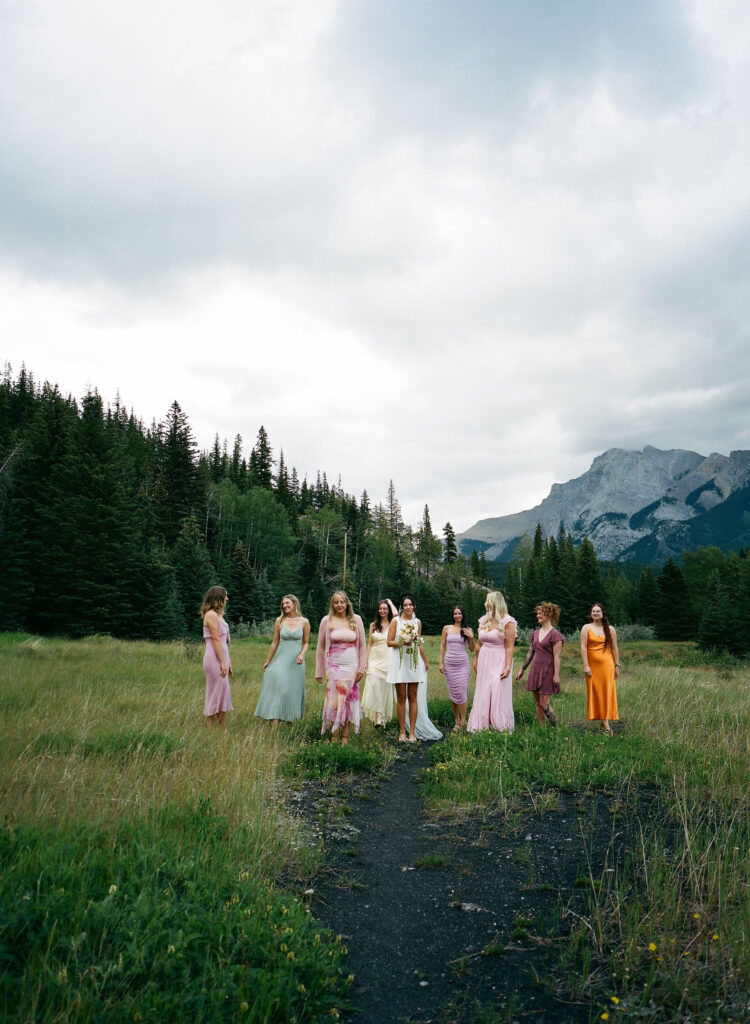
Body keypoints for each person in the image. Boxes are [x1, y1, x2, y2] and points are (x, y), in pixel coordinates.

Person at [387, 593, 441, 742]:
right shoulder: (395, 621)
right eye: (405, 605)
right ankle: (402, 732)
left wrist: (425, 660)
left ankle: (412, 732)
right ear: (402, 607)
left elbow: (419, 642)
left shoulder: (418, 622)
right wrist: (401, 643)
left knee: (412, 696)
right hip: (400, 662)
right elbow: (389, 642)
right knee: (401, 697)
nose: (408, 607)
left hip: (414, 661)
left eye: (410, 604)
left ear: (414, 606)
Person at [315, 590, 367, 743]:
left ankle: (345, 736)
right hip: (333, 666)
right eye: (336, 602)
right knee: (335, 700)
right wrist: (319, 670)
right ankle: (334, 735)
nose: (339, 605)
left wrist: (362, 668)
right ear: (332, 604)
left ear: (346, 603)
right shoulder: (327, 620)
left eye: (342, 602)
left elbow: (363, 646)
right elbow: (320, 646)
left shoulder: (356, 620)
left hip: (352, 665)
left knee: (349, 699)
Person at [254, 594, 310, 725]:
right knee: (280, 688)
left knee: (291, 691)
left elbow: (306, 643)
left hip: (296, 662)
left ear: (294, 604)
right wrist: (268, 660)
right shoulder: (279, 621)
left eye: (287, 603)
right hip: (281, 659)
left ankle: (290, 720)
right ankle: (274, 721)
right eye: (283, 604)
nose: (285, 605)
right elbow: (274, 642)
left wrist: (302, 654)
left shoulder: (304, 622)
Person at [467, 592, 516, 734]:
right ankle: (482, 726)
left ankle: (500, 726)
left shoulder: (508, 621)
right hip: (484, 660)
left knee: (497, 691)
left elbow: (509, 646)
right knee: (483, 692)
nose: (484, 604)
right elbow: (479, 644)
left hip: (499, 659)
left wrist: (508, 667)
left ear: (494, 603)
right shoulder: (484, 620)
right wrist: (475, 660)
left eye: (486, 601)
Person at [515, 602, 564, 727]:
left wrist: (556, 675)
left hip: (548, 670)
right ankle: (542, 730)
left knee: (544, 703)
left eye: (540, 613)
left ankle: (557, 729)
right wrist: (522, 669)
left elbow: (556, 657)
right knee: (537, 702)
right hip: (535, 670)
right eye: (537, 614)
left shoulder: (555, 634)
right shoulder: (535, 633)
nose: (538, 616)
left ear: (549, 615)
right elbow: (530, 652)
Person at [580, 602, 620, 735]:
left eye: (598, 611)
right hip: (592, 667)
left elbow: (614, 648)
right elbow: (583, 647)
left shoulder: (610, 629)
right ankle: (605, 724)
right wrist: (586, 665)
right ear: (591, 614)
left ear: (603, 614)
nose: (595, 613)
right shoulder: (586, 628)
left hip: (607, 666)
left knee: (606, 693)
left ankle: (605, 724)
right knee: (595, 692)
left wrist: (617, 665)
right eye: (593, 611)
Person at [201, 585, 233, 729]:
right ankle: (212, 727)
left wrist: (228, 662)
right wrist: (222, 662)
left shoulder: (219, 615)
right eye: (225, 595)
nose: (227, 598)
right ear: (219, 597)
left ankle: (221, 726)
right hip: (214, 658)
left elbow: (223, 642)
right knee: (216, 691)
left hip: (221, 656)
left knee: (223, 691)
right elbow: (215, 639)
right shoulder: (211, 615)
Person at [439, 605, 475, 731]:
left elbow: (471, 649)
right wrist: (440, 663)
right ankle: (457, 720)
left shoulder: (467, 629)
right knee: (453, 692)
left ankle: (463, 721)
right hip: (449, 664)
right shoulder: (447, 628)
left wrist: (471, 637)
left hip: (462, 664)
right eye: (455, 613)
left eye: (459, 613)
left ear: (463, 615)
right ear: (452, 615)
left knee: (461, 691)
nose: (457, 616)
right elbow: (442, 646)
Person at [362, 598, 397, 727]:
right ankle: (379, 718)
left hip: (388, 661)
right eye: (380, 608)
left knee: (384, 690)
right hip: (374, 661)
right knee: (374, 686)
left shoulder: (394, 623)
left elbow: (397, 615)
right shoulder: (373, 625)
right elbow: (369, 644)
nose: (382, 611)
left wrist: (390, 602)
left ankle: (382, 718)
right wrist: (365, 661)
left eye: (385, 609)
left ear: (388, 610)